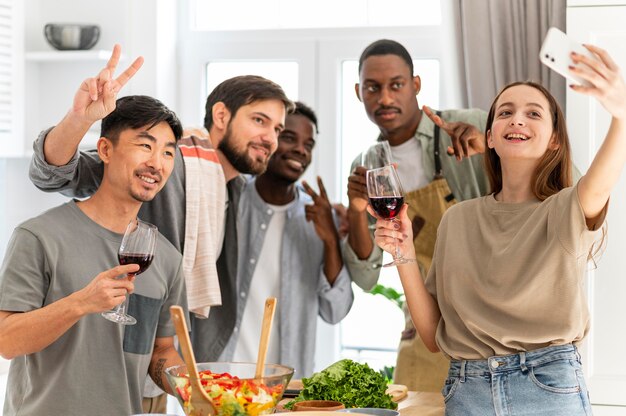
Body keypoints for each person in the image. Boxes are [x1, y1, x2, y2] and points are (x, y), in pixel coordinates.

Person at [27, 45, 294, 413]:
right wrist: (79, 118)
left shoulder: (237, 190)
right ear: (221, 115)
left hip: (157, 369)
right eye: (259, 121)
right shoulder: (166, 161)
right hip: (98, 368)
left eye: (277, 128)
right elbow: (54, 172)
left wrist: (202, 387)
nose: (270, 137)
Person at [373, 44, 624, 414]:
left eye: (533, 113)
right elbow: (431, 335)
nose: (517, 120)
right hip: (467, 390)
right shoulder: (458, 219)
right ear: (490, 136)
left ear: (554, 139)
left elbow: (601, 183)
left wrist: (621, 112)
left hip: (547, 388)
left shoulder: (566, 209)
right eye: (505, 113)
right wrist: (403, 253)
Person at [0, 93, 187, 415]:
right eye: (145, 145)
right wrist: (81, 303)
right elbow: (6, 341)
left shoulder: (167, 259)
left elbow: (161, 350)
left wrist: (198, 390)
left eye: (168, 152)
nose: (157, 163)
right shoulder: (39, 236)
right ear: (104, 150)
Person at [343, 39, 489, 391]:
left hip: (489, 323)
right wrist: (355, 209)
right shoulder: (365, 166)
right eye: (372, 88)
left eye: (396, 85)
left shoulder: (466, 127)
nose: (385, 98)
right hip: (427, 326)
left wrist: (493, 151)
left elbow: (552, 190)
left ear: (416, 84)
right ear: (358, 92)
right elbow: (366, 277)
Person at [218, 102, 354, 377]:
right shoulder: (230, 198)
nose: (301, 150)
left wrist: (330, 242)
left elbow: (335, 311)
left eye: (309, 144)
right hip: (222, 377)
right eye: (289, 138)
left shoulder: (318, 218)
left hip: (286, 389)